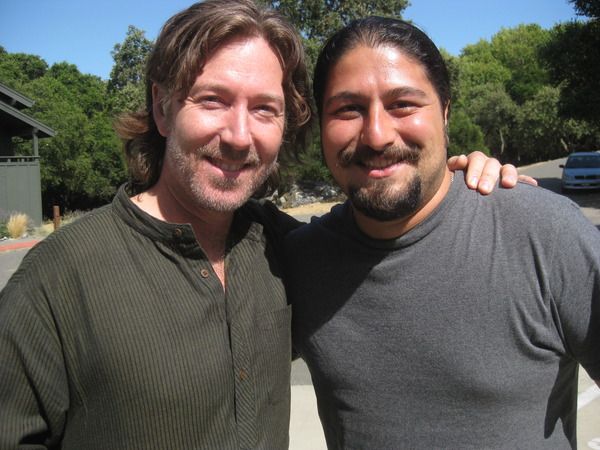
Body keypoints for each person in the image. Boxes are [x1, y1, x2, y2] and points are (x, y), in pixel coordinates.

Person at [0, 1, 525, 448]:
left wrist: (454, 180)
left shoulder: (283, 247)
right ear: (162, 109)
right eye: (213, 100)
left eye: (264, 110)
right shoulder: (56, 280)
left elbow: (387, 237)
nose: (238, 135)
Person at [284, 17, 600, 449]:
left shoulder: (543, 233)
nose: (376, 135)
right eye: (348, 109)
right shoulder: (297, 263)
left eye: (403, 105)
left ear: (445, 112)